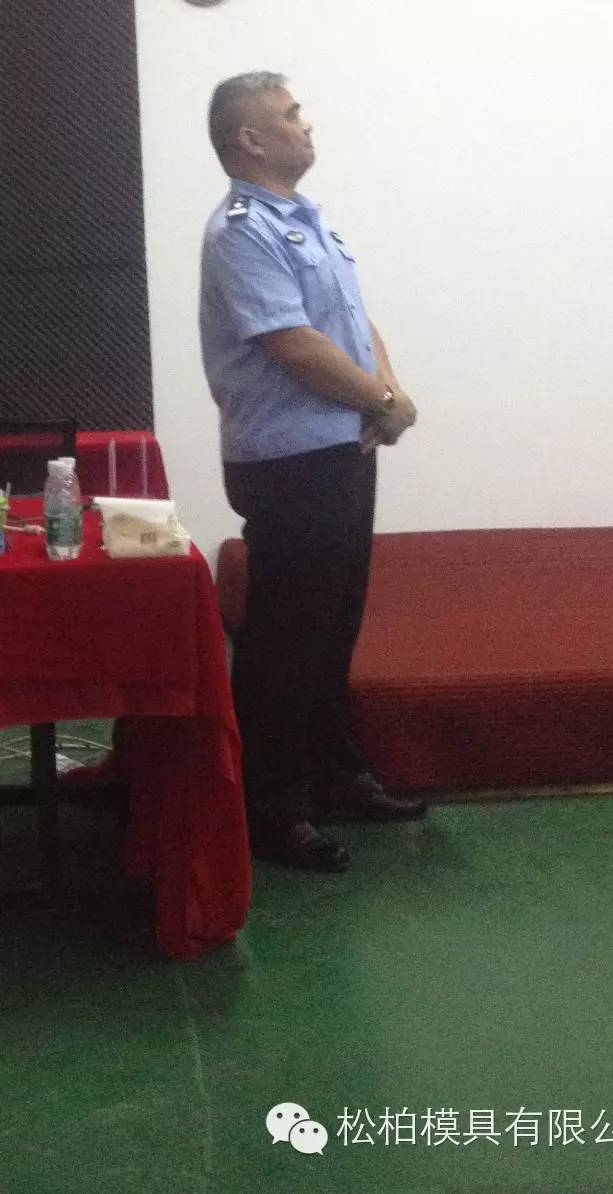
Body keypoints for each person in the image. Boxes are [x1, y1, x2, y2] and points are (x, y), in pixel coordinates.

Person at [199, 71, 427, 873]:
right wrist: (383, 402)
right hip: (289, 462)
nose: (307, 123)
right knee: (286, 642)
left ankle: (336, 777)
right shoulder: (240, 231)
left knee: (333, 630)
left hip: (340, 451)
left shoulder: (307, 221)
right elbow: (292, 344)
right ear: (251, 139)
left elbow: (353, 323)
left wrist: (385, 395)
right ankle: (273, 808)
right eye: (292, 114)